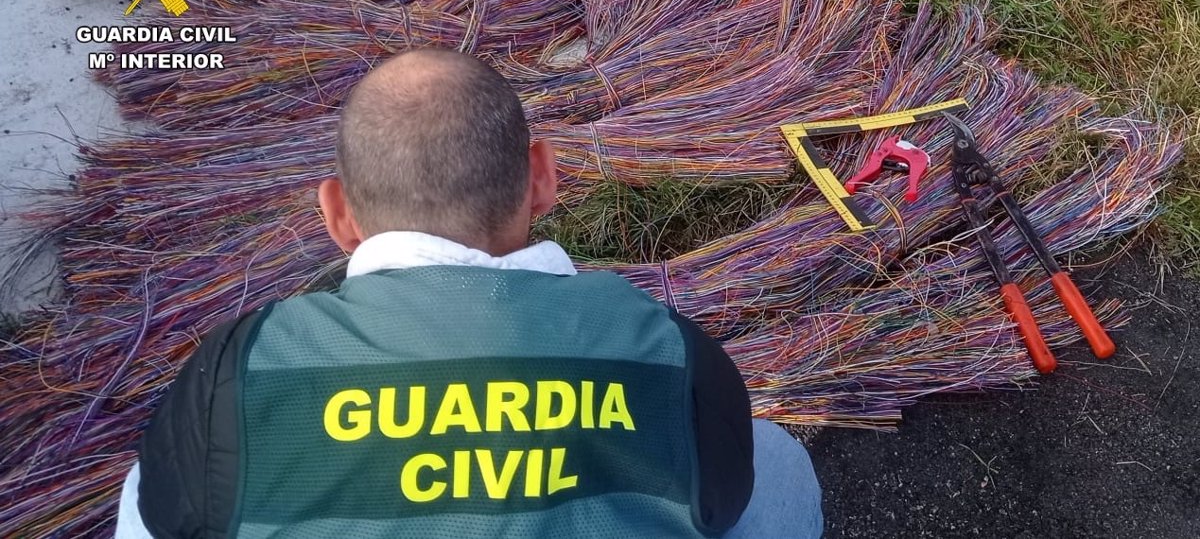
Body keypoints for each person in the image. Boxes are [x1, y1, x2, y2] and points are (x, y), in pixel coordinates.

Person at [115, 48, 822, 538]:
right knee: (774, 461)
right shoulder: (663, 349)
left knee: (159, 485)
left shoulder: (244, 370)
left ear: (337, 215)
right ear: (542, 177)